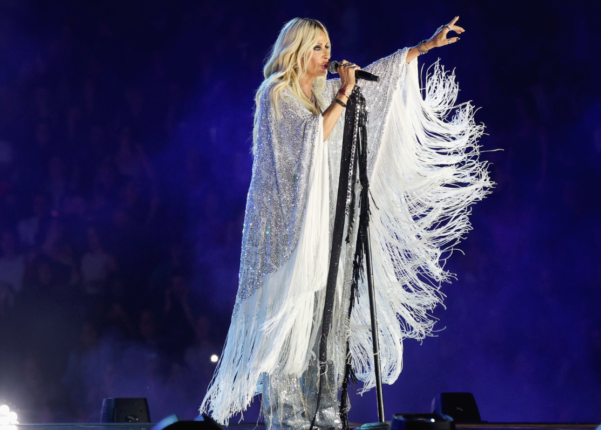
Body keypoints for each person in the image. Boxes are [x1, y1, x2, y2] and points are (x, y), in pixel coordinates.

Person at [200, 17, 492, 428]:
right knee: (292, 322)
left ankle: (326, 413)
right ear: (297, 50)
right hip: (286, 230)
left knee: (329, 319)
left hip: (327, 226)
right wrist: (342, 94)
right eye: (318, 47)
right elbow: (309, 140)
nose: (326, 55)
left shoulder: (323, 90)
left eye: (328, 46)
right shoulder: (275, 93)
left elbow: (379, 79)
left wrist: (424, 47)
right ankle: (289, 420)